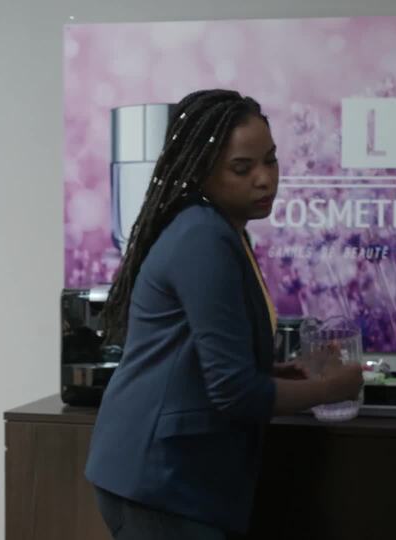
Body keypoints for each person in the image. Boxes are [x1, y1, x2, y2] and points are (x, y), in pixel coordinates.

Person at [85, 89, 364, 540]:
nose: (264, 179)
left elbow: (205, 361)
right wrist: (334, 388)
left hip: (168, 471)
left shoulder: (223, 231)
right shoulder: (203, 237)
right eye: (242, 168)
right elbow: (234, 392)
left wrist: (279, 374)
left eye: (270, 161)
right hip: (159, 477)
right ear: (201, 170)